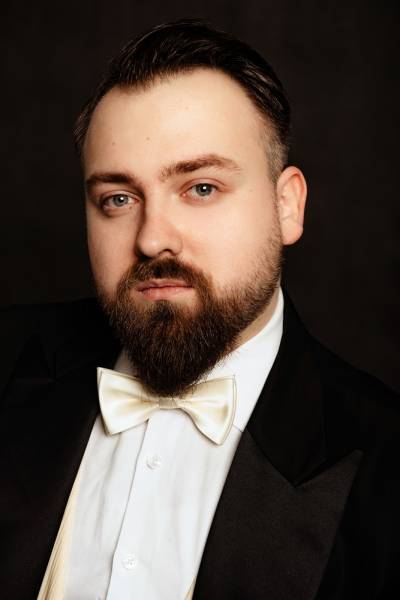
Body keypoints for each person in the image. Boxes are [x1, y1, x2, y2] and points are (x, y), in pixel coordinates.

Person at [1, 19, 399, 600]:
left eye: (201, 188)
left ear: (287, 206)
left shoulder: (384, 464)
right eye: (118, 198)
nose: (152, 239)